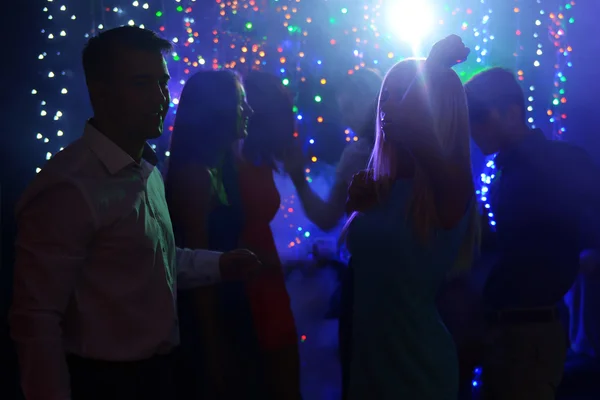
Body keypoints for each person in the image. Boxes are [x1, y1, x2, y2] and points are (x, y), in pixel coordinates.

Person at [9, 26, 261, 400]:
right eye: (142, 84)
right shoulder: (70, 186)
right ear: (100, 91)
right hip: (105, 381)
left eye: (162, 82)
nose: (161, 97)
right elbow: (37, 318)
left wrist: (219, 265)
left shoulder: (146, 169)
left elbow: (146, 260)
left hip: (157, 372)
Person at [343, 35, 479, 399]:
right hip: (367, 365)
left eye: (404, 94)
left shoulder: (450, 187)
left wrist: (432, 68)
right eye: (386, 94)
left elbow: (416, 132)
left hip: (418, 369)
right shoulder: (382, 187)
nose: (388, 104)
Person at [465, 67, 600, 399]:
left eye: (478, 117)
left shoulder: (560, 162)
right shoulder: (508, 173)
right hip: (515, 328)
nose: (472, 130)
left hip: (529, 329)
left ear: (512, 113)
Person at [165, 70, 299, 400]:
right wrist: (214, 354)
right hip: (217, 317)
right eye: (241, 103)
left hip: (237, 305)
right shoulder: (196, 176)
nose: (249, 110)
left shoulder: (221, 167)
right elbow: (196, 273)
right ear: (219, 110)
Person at [285, 68, 382, 232]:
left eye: (349, 108)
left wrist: (298, 178)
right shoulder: (420, 139)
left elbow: (327, 218)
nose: (345, 119)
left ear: (373, 98)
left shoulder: (357, 156)